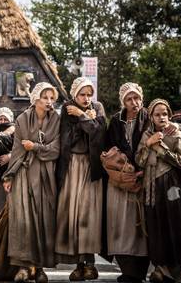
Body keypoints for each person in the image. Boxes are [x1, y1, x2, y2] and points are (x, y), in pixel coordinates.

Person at [3, 82, 60, 283]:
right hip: (24, 175)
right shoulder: (22, 119)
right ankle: (23, 267)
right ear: (35, 99)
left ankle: (41, 268)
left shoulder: (56, 120)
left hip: (46, 176)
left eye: (52, 98)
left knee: (44, 221)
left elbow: (56, 149)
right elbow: (19, 149)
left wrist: (35, 147)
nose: (49, 102)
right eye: (45, 97)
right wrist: (9, 176)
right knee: (22, 221)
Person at [54, 77, 106, 280]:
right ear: (74, 94)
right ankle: (78, 264)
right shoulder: (67, 109)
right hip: (72, 165)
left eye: (89, 94)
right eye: (82, 95)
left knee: (89, 216)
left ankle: (90, 264)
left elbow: (99, 134)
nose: (86, 98)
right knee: (72, 215)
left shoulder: (97, 107)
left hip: (92, 167)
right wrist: (86, 120)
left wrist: (84, 117)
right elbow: (67, 139)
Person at [136, 99, 181, 283]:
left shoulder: (175, 133)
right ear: (151, 117)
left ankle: (172, 272)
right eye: (158, 114)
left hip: (171, 187)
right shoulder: (147, 134)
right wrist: (148, 143)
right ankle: (160, 269)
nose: (162, 117)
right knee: (155, 227)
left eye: (165, 114)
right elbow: (139, 160)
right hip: (151, 187)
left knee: (173, 227)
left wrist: (162, 149)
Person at [103, 83, 150, 283]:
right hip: (120, 180)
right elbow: (110, 146)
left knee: (140, 226)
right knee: (120, 225)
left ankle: (139, 271)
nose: (134, 103)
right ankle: (127, 270)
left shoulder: (148, 117)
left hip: (143, 176)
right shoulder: (115, 120)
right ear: (123, 101)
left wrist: (140, 168)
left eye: (137, 98)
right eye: (129, 99)